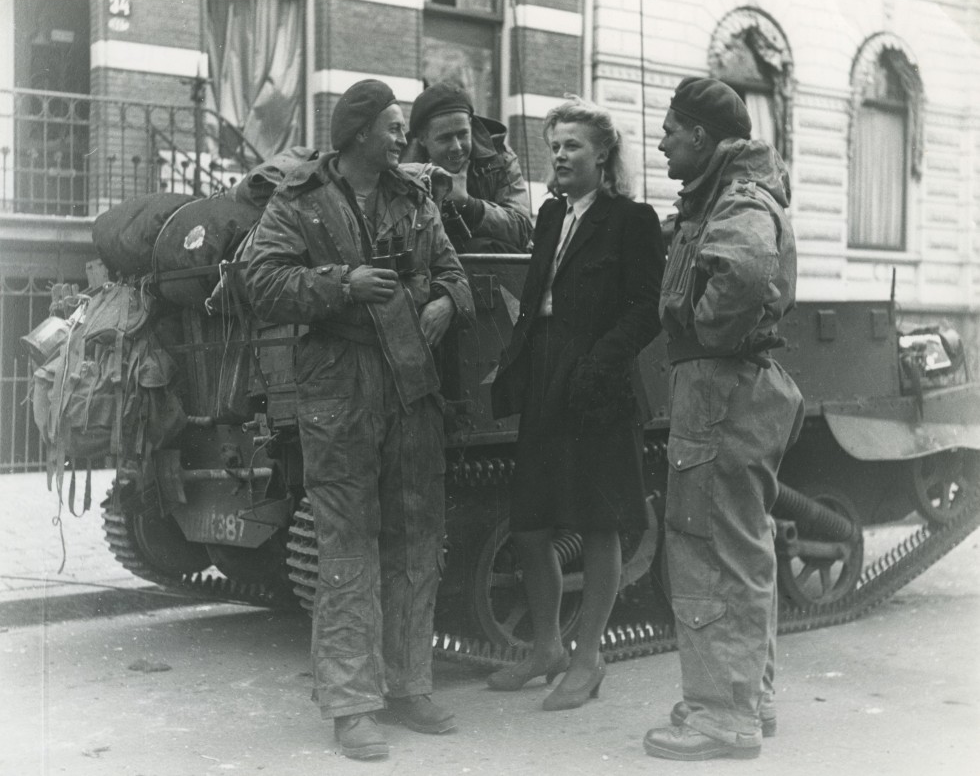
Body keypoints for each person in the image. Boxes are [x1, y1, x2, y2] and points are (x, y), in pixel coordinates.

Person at [245, 78, 475, 761]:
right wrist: (341, 284)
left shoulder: (413, 198)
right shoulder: (300, 200)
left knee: (415, 540)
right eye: (392, 126)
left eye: (402, 126)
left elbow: (455, 274)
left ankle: (410, 683)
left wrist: (445, 304)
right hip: (338, 392)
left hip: (410, 388)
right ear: (359, 135)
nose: (402, 135)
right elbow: (259, 281)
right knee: (347, 547)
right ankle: (351, 705)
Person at [643, 77, 805, 761]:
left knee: (707, 544)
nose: (661, 142)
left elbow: (743, 272)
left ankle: (720, 715)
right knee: (743, 545)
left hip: (720, 386)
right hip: (737, 385)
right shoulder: (732, 190)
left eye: (670, 131)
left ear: (702, 138)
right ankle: (747, 695)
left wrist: (705, 332)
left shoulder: (737, 197)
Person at [488, 96, 665, 710]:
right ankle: (546, 648)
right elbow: (538, 296)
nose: (560, 156)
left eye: (573, 146)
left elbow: (648, 309)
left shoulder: (632, 219)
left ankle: (588, 659)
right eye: (555, 145)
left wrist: (597, 363)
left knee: (597, 521)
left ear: (603, 155)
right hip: (543, 374)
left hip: (596, 384)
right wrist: (514, 363)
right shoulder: (549, 216)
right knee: (531, 523)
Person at [402, 81, 533, 253]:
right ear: (422, 138)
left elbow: (523, 230)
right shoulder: (401, 170)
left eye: (463, 134)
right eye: (445, 138)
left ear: (470, 124)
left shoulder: (500, 159)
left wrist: (469, 205)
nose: (456, 147)